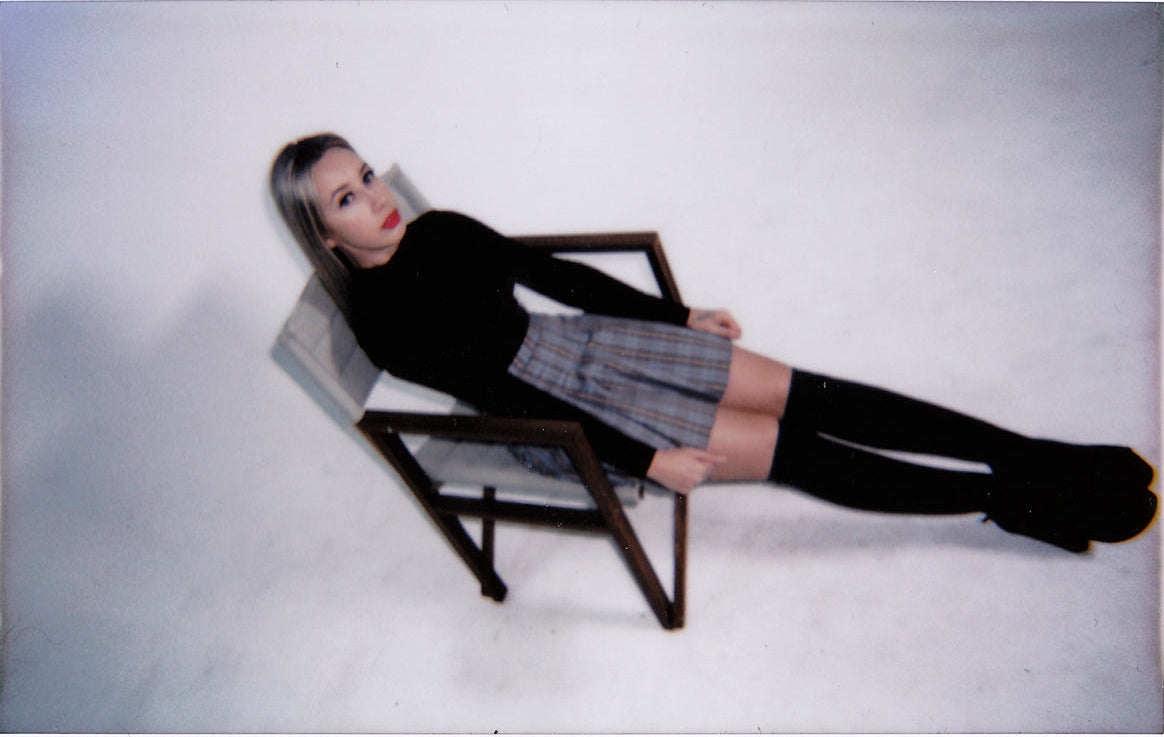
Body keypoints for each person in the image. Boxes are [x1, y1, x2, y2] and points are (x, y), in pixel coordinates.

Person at [270, 132, 1157, 554]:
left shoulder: (439, 229)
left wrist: (673, 317)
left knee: (805, 390)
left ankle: (1029, 451)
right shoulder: (385, 323)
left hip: (578, 343)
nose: (376, 197)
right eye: (345, 199)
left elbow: (557, 280)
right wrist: (646, 456)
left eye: (366, 173)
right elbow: (514, 400)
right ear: (327, 238)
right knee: (792, 449)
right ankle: (1010, 498)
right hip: (559, 417)